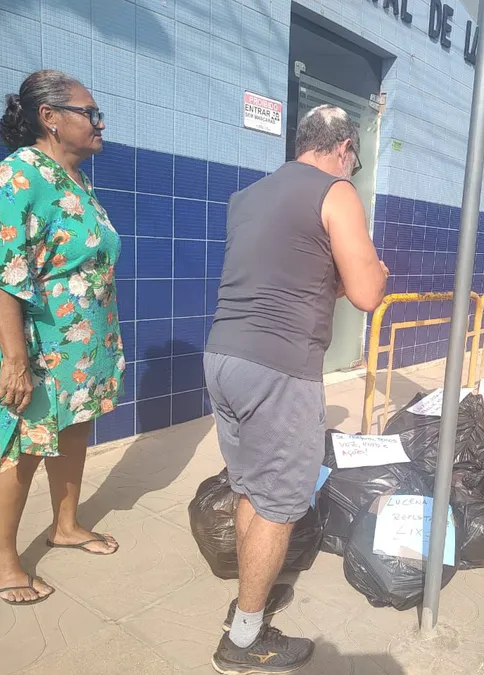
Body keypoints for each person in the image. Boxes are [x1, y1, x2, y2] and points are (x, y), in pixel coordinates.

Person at [203, 104, 388, 674]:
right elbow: (365, 293)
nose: (351, 167)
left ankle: (246, 604)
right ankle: (245, 639)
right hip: (279, 367)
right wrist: (376, 270)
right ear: (344, 147)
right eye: (353, 159)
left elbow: (291, 277)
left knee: (251, 489)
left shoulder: (249, 197)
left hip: (225, 355)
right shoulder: (336, 192)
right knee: (280, 505)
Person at [0, 71, 125, 605]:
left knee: (72, 434)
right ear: (50, 117)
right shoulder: (18, 176)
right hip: (38, 348)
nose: (99, 122)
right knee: (20, 445)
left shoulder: (72, 179)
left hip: (81, 347)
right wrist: (15, 360)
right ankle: (0, 561)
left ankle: (65, 526)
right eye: (90, 113)